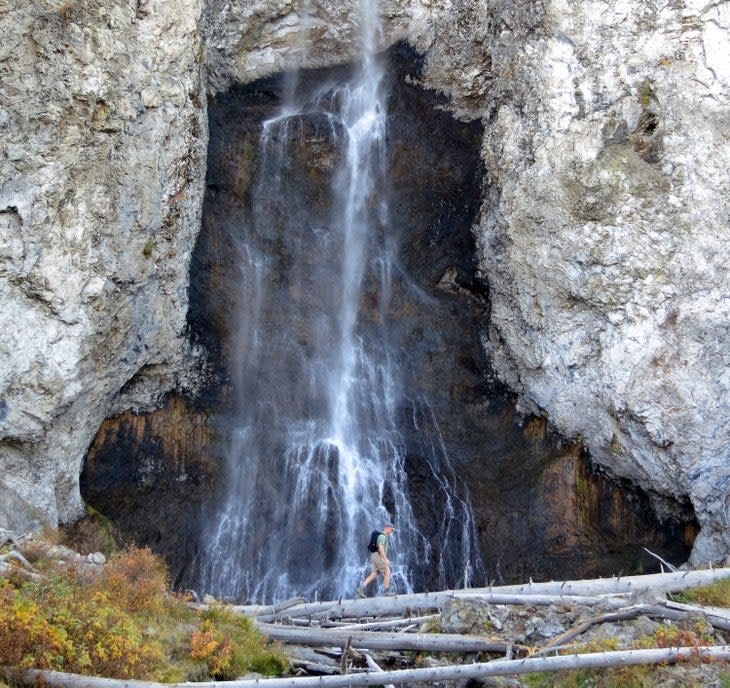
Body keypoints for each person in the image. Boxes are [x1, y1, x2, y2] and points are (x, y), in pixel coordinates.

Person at [357, 523, 395, 597]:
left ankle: (361, 588)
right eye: (391, 529)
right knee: (387, 571)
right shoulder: (382, 536)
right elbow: (380, 548)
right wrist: (385, 559)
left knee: (375, 573)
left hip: (374, 556)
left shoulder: (382, 536)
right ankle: (386, 591)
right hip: (378, 556)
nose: (392, 531)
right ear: (387, 528)